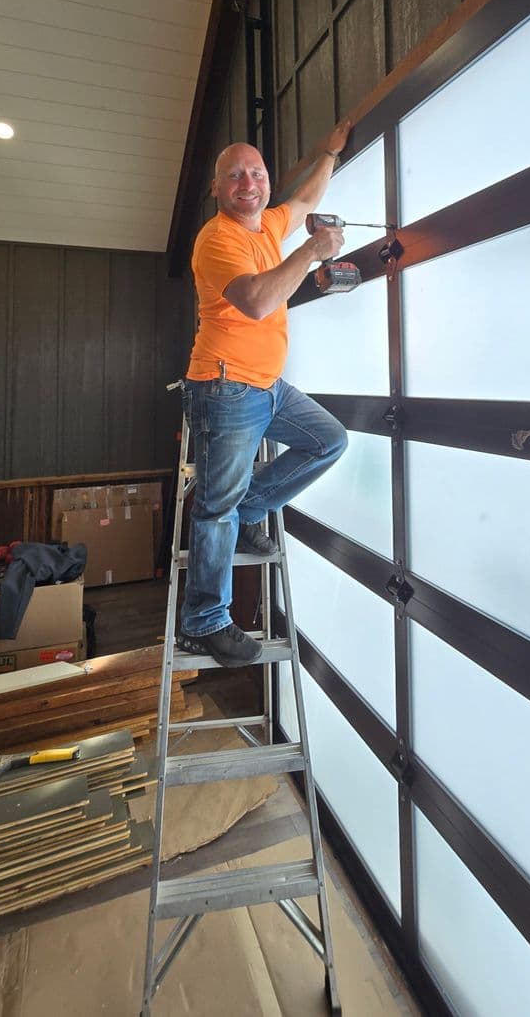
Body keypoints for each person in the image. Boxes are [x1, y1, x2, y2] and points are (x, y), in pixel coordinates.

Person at [177, 119, 354, 667]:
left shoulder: (268, 224)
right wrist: (311, 253)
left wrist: (329, 151)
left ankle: (251, 505)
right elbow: (255, 301)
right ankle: (203, 620)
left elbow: (306, 199)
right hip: (224, 389)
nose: (247, 182)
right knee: (215, 510)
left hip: (265, 386)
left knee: (328, 441)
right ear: (217, 189)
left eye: (255, 172)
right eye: (234, 175)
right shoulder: (218, 238)